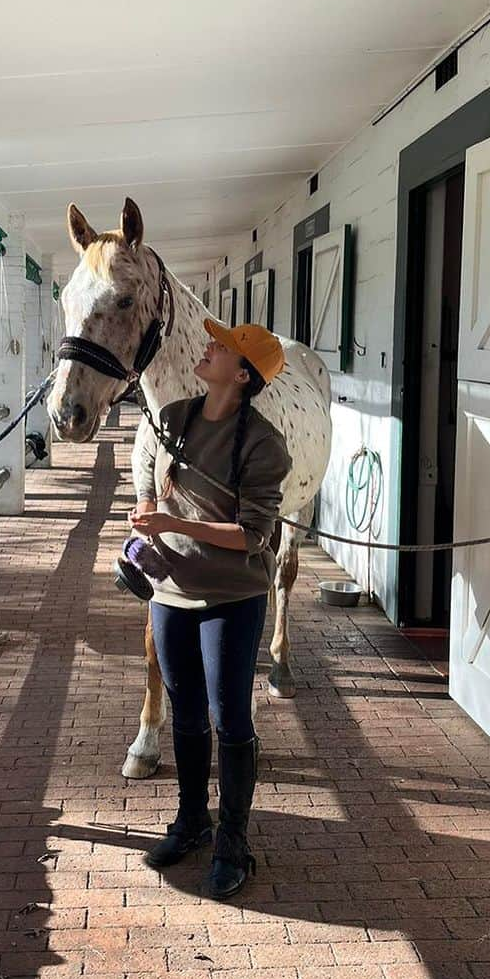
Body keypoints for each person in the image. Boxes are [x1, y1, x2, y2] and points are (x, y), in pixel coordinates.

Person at [130, 319, 291, 898]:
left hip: (232, 597)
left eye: (221, 348)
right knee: (186, 711)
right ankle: (193, 820)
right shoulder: (175, 418)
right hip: (170, 592)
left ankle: (233, 841)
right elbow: (148, 469)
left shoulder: (263, 444)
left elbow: (251, 535)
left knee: (231, 718)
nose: (208, 348)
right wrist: (148, 518)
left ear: (242, 374)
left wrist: (174, 522)